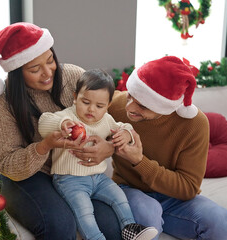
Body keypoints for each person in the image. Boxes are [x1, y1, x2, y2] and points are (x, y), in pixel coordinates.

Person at [0, 22, 119, 239]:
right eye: (35, 69)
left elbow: (109, 111)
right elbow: (6, 164)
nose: (48, 73)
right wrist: (45, 146)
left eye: (50, 60)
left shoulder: (73, 76)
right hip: (26, 176)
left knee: (112, 225)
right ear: (17, 72)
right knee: (60, 224)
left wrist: (109, 147)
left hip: (72, 171)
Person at [102, 56, 227, 239]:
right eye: (131, 95)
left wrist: (139, 161)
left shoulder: (195, 125)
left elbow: (188, 188)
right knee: (147, 213)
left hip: (175, 199)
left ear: (165, 107)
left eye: (142, 105)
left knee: (220, 220)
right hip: (129, 190)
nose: (129, 107)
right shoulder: (116, 105)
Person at [38, 69, 158, 240]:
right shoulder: (67, 116)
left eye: (99, 106)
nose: (91, 109)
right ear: (75, 97)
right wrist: (62, 123)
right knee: (85, 212)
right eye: (85, 102)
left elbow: (125, 126)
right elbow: (44, 123)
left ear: (107, 105)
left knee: (119, 197)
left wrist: (126, 133)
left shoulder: (106, 120)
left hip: (98, 178)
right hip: (69, 179)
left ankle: (130, 228)